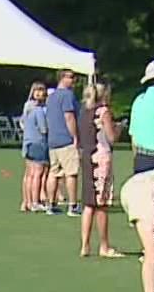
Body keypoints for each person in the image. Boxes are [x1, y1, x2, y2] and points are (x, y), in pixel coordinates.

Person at [78, 81, 124, 259]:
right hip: (101, 156)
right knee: (102, 204)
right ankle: (104, 245)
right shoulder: (103, 112)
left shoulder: (84, 111)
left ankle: (85, 244)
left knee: (89, 203)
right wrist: (118, 128)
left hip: (87, 156)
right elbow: (111, 137)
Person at [43, 69, 83, 215]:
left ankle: (50, 204)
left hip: (53, 140)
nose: (74, 80)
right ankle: (73, 205)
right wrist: (75, 137)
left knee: (54, 173)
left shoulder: (51, 97)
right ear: (62, 78)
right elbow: (69, 117)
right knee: (71, 173)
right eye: (71, 77)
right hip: (65, 139)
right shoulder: (67, 95)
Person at [20, 82, 51, 213]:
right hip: (38, 142)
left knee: (29, 174)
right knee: (37, 174)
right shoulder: (38, 110)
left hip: (27, 142)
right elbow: (44, 129)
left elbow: (23, 123)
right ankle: (35, 202)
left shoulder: (27, 108)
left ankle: (26, 202)